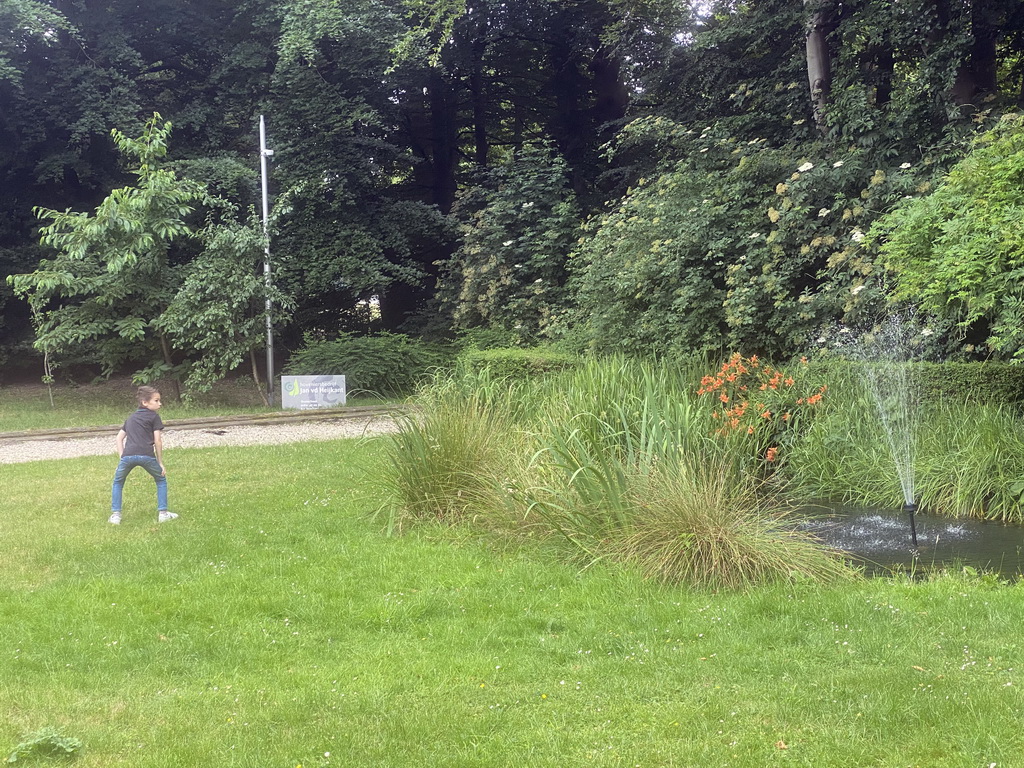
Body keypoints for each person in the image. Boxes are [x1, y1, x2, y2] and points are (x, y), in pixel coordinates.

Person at [109, 386, 178, 524]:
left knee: (118, 482)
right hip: (147, 455)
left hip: (128, 456)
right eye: (156, 400)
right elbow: (157, 441)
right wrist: (160, 462)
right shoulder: (154, 417)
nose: (160, 403)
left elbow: (119, 438)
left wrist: (122, 458)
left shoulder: (130, 418)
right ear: (145, 402)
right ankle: (163, 514)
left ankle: (116, 516)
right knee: (160, 480)